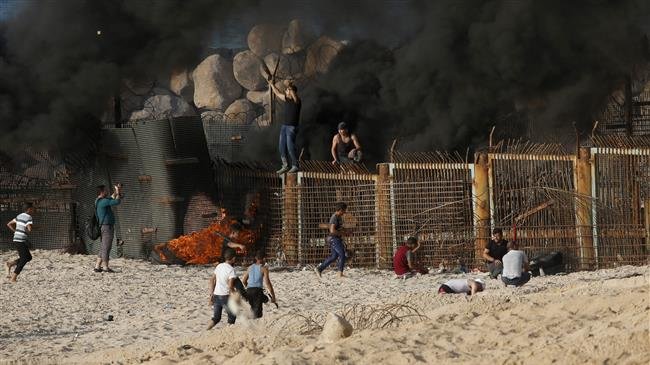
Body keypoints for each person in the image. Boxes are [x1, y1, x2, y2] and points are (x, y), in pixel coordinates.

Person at [269, 80, 301, 174]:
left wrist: (290, 86)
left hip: (291, 127)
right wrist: (271, 84)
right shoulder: (287, 99)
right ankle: (285, 165)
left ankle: (295, 165)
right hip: (284, 126)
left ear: (292, 92)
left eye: (287, 91)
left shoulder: (297, 101)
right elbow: (277, 93)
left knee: (290, 146)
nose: (286, 92)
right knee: (281, 147)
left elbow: (293, 95)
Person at [315, 202, 350, 278]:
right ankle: (340, 273)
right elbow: (332, 230)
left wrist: (345, 231)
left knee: (334, 256)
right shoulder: (334, 217)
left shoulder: (339, 217)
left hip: (336, 238)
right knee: (342, 254)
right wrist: (342, 233)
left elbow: (339, 228)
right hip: (334, 239)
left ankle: (319, 269)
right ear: (340, 210)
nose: (345, 212)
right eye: (344, 210)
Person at [207, 248, 238, 329]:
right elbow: (230, 286)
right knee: (232, 316)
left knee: (216, 318)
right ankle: (228, 332)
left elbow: (211, 280)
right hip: (225, 297)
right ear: (233, 258)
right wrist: (235, 295)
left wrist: (211, 295)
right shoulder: (231, 270)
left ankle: (206, 330)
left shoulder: (219, 266)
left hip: (216, 295)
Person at [94, 184, 122, 273]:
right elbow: (116, 202)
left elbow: (111, 198)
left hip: (103, 226)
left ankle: (97, 266)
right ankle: (105, 267)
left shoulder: (99, 201)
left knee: (103, 246)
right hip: (107, 227)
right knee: (106, 247)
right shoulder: (103, 201)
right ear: (102, 192)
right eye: (105, 191)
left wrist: (117, 192)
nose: (107, 192)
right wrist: (117, 192)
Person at [242, 250, 277, 318]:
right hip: (257, 292)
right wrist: (273, 296)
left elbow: (244, 281)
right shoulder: (264, 269)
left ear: (256, 258)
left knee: (253, 309)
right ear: (264, 259)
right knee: (257, 314)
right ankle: (254, 327)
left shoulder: (250, 267)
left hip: (249, 291)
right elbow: (268, 283)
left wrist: (249, 287)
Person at [5, 202, 35, 282]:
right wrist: (35, 228)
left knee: (28, 257)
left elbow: (9, 224)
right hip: (21, 240)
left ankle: (11, 264)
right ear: (29, 209)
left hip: (16, 239)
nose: (33, 210)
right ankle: (13, 277)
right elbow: (29, 229)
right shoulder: (29, 217)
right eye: (32, 209)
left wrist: (15, 231)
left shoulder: (19, 216)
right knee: (24, 258)